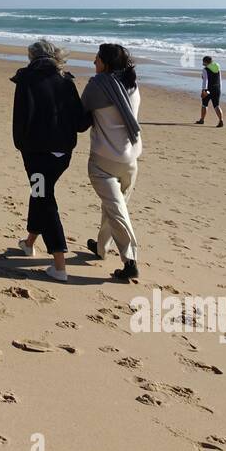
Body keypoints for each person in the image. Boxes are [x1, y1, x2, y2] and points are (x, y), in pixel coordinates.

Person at [11, 40, 85, 282]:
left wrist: (21, 145)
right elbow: (82, 123)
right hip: (63, 154)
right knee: (41, 192)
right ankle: (29, 243)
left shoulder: (26, 80)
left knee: (44, 197)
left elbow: (21, 117)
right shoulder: (67, 81)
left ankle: (59, 265)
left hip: (37, 154)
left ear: (32, 57)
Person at [81, 43, 143, 281]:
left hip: (102, 162)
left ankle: (130, 260)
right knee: (114, 206)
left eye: (96, 59)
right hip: (130, 160)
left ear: (105, 64)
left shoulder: (97, 86)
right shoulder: (133, 86)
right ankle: (100, 248)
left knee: (116, 210)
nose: (93, 63)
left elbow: (80, 120)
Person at [195, 55, 224, 127]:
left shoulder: (205, 70)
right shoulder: (217, 67)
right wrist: (219, 88)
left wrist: (203, 90)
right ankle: (221, 120)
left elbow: (205, 81)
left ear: (206, 62)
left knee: (204, 104)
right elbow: (219, 79)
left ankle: (202, 120)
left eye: (203, 62)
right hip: (217, 88)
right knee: (216, 105)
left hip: (208, 90)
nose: (202, 63)